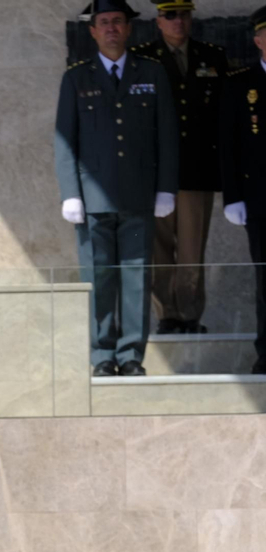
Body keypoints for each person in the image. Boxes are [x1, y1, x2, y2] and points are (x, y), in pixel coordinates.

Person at [55, 0, 179, 378]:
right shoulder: (77, 78)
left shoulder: (152, 74)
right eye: (103, 22)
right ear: (92, 31)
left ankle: (131, 355)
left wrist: (165, 189)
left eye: (117, 22)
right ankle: (101, 355)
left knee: (137, 276)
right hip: (92, 199)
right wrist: (70, 192)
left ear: (129, 29)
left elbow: (167, 136)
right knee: (98, 276)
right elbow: (64, 141)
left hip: (139, 195)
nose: (111, 28)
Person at [132, 1, 229, 335]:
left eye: (183, 14)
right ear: (158, 21)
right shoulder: (142, 58)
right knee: (158, 248)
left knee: (191, 248)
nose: (177, 22)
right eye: (170, 15)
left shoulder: (213, 57)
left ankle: (189, 314)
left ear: (191, 17)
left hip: (196, 168)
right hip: (157, 171)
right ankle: (166, 314)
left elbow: (222, 115)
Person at [220, 7, 266, 372]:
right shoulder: (241, 84)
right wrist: (232, 196)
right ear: (258, 40)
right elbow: (229, 144)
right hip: (260, 201)